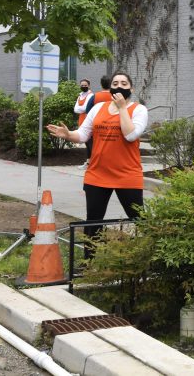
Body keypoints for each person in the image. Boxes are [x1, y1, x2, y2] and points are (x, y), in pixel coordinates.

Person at [47, 72, 148, 259]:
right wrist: (69, 135)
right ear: (110, 88)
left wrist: (122, 109)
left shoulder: (139, 110)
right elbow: (83, 134)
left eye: (124, 83)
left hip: (127, 175)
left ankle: (152, 256)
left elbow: (130, 135)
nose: (119, 86)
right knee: (93, 222)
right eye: (115, 83)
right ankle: (89, 263)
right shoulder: (98, 108)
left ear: (131, 89)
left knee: (139, 218)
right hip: (98, 175)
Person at [74, 78, 93, 169]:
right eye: (82, 85)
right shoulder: (80, 96)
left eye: (85, 85)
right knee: (87, 143)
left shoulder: (91, 95)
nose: (83, 87)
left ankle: (91, 163)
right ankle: (88, 163)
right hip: (81, 121)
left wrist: (81, 108)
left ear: (89, 86)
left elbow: (86, 108)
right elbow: (75, 109)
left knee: (90, 143)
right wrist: (82, 109)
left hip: (88, 121)